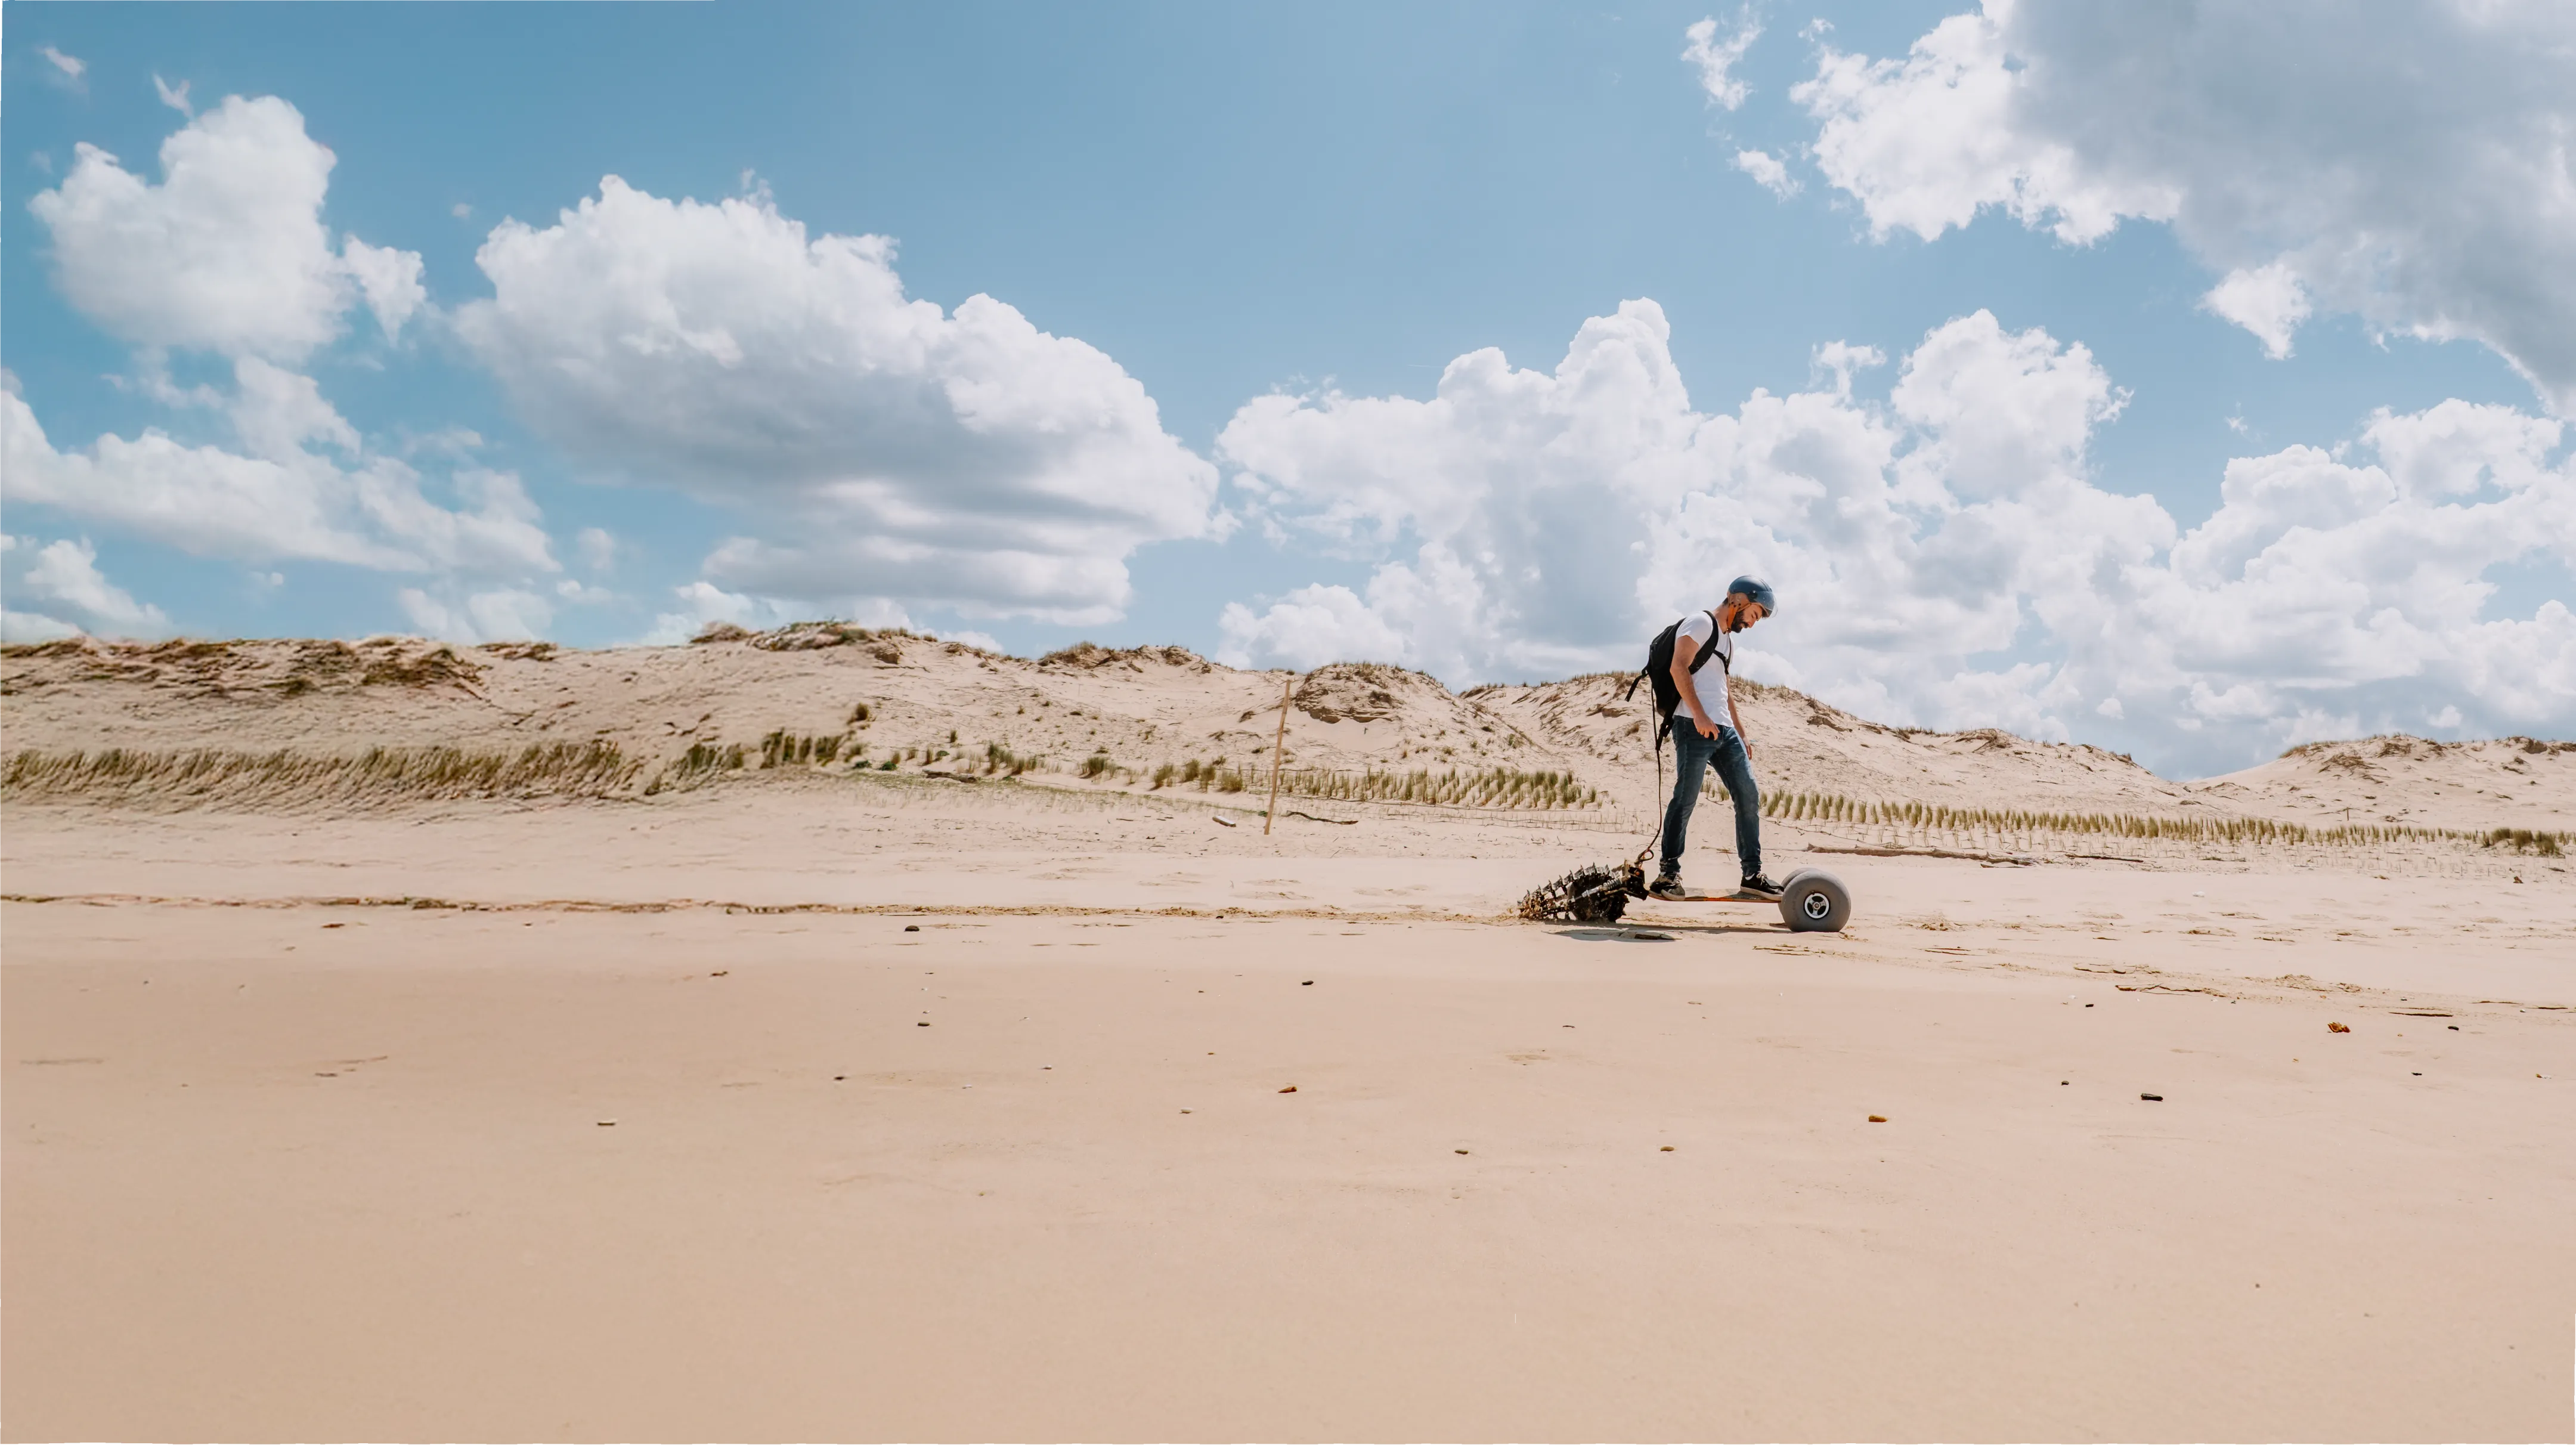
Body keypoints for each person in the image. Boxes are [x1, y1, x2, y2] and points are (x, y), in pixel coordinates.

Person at [1643, 577, 1777, 901]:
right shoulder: (1701, 623)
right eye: (1755, 614)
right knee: (1685, 798)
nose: (1754, 622)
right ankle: (1667, 875)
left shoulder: (1728, 640)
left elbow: (1723, 691)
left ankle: (1752, 874)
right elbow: (1678, 668)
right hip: (1692, 726)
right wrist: (1700, 715)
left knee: (1748, 794)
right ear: (1739, 600)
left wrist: (1741, 734)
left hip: (1724, 731)